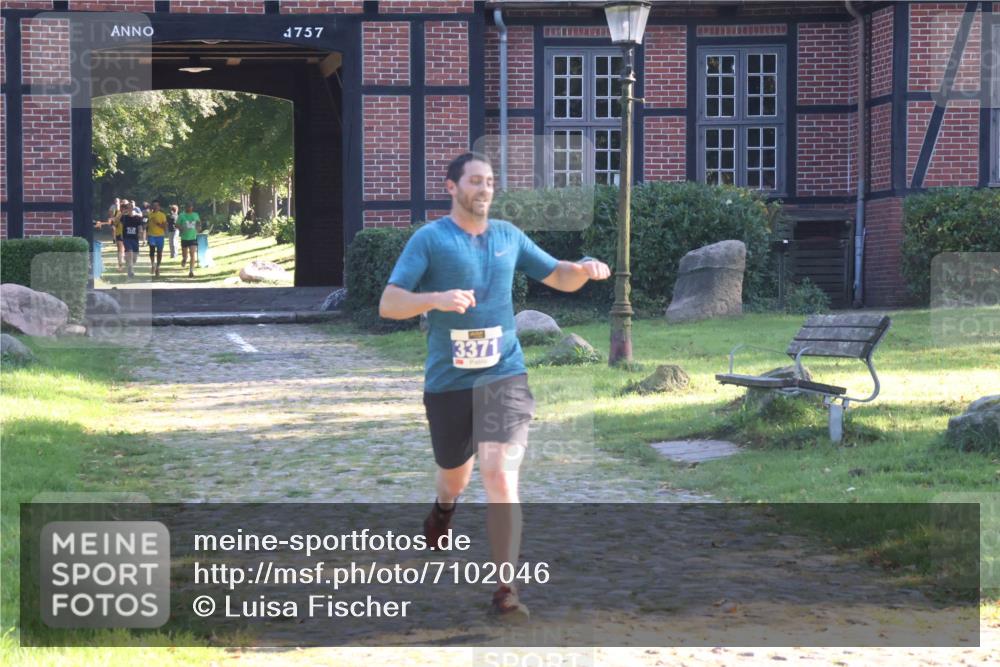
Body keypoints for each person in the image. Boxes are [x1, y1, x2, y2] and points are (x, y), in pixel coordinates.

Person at [378, 152, 611, 620]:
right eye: (475, 181)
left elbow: (557, 274)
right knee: (454, 475)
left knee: (500, 474)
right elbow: (389, 303)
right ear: (452, 187)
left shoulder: (508, 236)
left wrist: (582, 268)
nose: (484, 189)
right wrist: (436, 299)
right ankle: (443, 509)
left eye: (490, 182)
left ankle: (506, 589)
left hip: (504, 373)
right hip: (448, 382)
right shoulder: (430, 239)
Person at [119, 202, 143, 278]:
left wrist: (140, 232)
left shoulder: (137, 218)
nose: (129, 209)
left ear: (133, 208)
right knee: (130, 252)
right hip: (127, 238)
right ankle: (131, 270)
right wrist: (122, 213)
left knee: (135, 258)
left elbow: (140, 227)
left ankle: (130, 267)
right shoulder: (124, 217)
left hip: (135, 239)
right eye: (127, 208)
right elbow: (117, 221)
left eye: (130, 207)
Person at [176, 204, 201, 278]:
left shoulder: (195, 215)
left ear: (192, 207)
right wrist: (181, 228)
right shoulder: (181, 215)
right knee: (185, 255)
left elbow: (198, 223)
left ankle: (191, 271)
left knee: (192, 254)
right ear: (185, 207)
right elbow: (176, 224)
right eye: (187, 207)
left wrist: (199, 228)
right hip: (184, 238)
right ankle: (184, 259)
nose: (189, 208)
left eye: (190, 206)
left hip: (193, 237)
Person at [146, 200, 168, 276]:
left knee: (159, 253)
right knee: (152, 250)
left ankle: (158, 267)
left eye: (157, 205)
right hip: (151, 235)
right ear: (152, 206)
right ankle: (153, 265)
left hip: (160, 236)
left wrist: (157, 223)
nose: (155, 207)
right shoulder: (149, 214)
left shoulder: (162, 215)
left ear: (159, 207)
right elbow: (145, 224)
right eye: (154, 205)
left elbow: (165, 227)